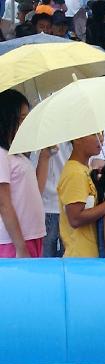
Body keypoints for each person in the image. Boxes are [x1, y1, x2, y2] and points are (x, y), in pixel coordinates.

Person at [58, 132, 105, 258]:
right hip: (80, 257)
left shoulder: (85, 169)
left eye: (101, 133)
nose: (101, 138)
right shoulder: (75, 173)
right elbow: (75, 219)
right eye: (95, 134)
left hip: (91, 254)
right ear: (77, 138)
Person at [0, 90, 45, 259]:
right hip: (13, 241)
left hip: (31, 235)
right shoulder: (1, 154)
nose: (26, 124)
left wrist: (45, 157)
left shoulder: (16, 154)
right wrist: (20, 247)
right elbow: (4, 204)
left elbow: (35, 191)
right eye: (21, 118)